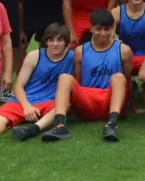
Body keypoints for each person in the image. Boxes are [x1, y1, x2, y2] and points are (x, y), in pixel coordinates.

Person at [40, 10, 133, 142]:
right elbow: (78, 82)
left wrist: (132, 106)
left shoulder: (124, 50)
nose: (103, 33)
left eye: (107, 29)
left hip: (111, 101)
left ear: (113, 28)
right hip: (88, 102)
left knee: (118, 77)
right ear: (91, 29)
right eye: (98, 29)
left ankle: (112, 125)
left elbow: (127, 81)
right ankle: (60, 125)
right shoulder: (80, 51)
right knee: (65, 77)